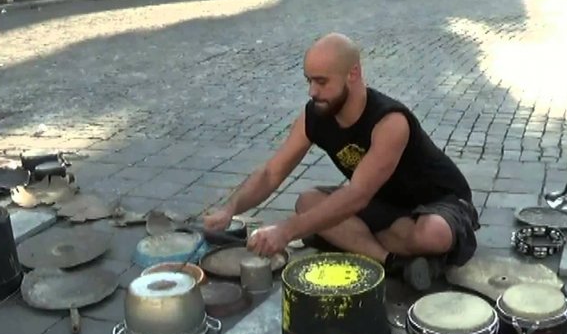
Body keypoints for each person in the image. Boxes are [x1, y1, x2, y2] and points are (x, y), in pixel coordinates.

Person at [203, 33, 480, 291]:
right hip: (383, 204)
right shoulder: (315, 115)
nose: (312, 91)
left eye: (321, 82)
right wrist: (231, 209)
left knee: (432, 234)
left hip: (440, 202)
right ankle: (392, 261)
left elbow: (357, 195)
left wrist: (287, 231)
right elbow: (270, 173)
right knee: (307, 203)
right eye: (308, 80)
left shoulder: (389, 121)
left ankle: (376, 244)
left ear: (353, 73)